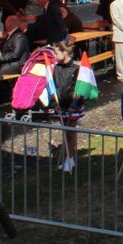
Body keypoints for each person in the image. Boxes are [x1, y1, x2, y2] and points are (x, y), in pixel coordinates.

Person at [49, 39, 82, 173]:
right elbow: (54, 85)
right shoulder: (56, 67)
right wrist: (54, 102)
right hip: (61, 104)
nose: (55, 56)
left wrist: (75, 104)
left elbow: (80, 88)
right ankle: (69, 158)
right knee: (65, 132)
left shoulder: (77, 67)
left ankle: (70, 158)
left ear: (65, 52)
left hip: (73, 105)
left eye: (56, 53)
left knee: (70, 132)